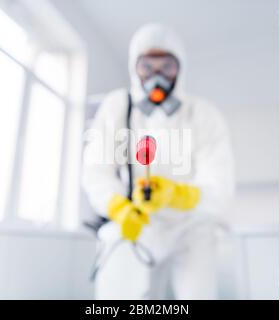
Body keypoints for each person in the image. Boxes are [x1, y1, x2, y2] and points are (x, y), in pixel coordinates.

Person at [83, 23, 235, 300]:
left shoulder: (203, 114)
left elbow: (220, 184)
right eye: (147, 66)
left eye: (166, 67)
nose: (157, 76)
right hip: (135, 223)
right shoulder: (118, 106)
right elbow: (96, 170)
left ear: (180, 69)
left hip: (190, 227)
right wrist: (118, 207)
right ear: (134, 68)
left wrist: (179, 196)